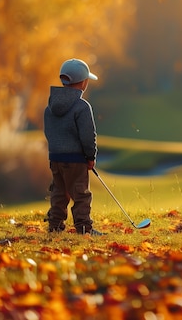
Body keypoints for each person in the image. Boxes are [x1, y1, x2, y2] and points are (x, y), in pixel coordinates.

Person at [44, 58, 105, 236]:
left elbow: (49, 132)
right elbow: (88, 136)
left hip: (55, 157)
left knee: (59, 193)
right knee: (81, 194)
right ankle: (84, 228)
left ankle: (54, 226)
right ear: (84, 82)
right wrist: (90, 156)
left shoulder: (50, 107)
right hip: (75, 160)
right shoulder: (82, 106)